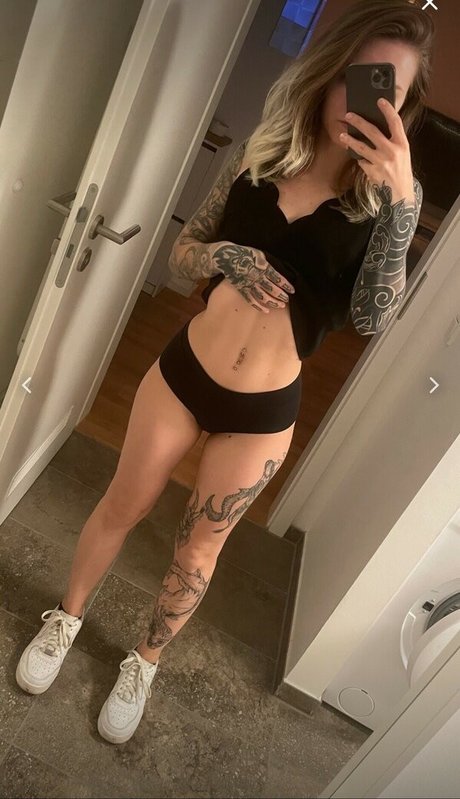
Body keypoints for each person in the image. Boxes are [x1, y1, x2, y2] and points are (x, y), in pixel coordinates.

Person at [15, 0, 432, 745]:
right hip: (183, 376)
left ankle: (144, 662)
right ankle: (66, 619)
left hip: (263, 411)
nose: (366, 100)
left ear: (402, 109)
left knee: (197, 551)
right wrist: (222, 256)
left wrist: (402, 201)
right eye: (359, 75)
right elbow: (182, 257)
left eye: (388, 91)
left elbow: (372, 318)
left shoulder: (387, 206)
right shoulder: (260, 152)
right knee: (121, 503)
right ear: (331, 71)